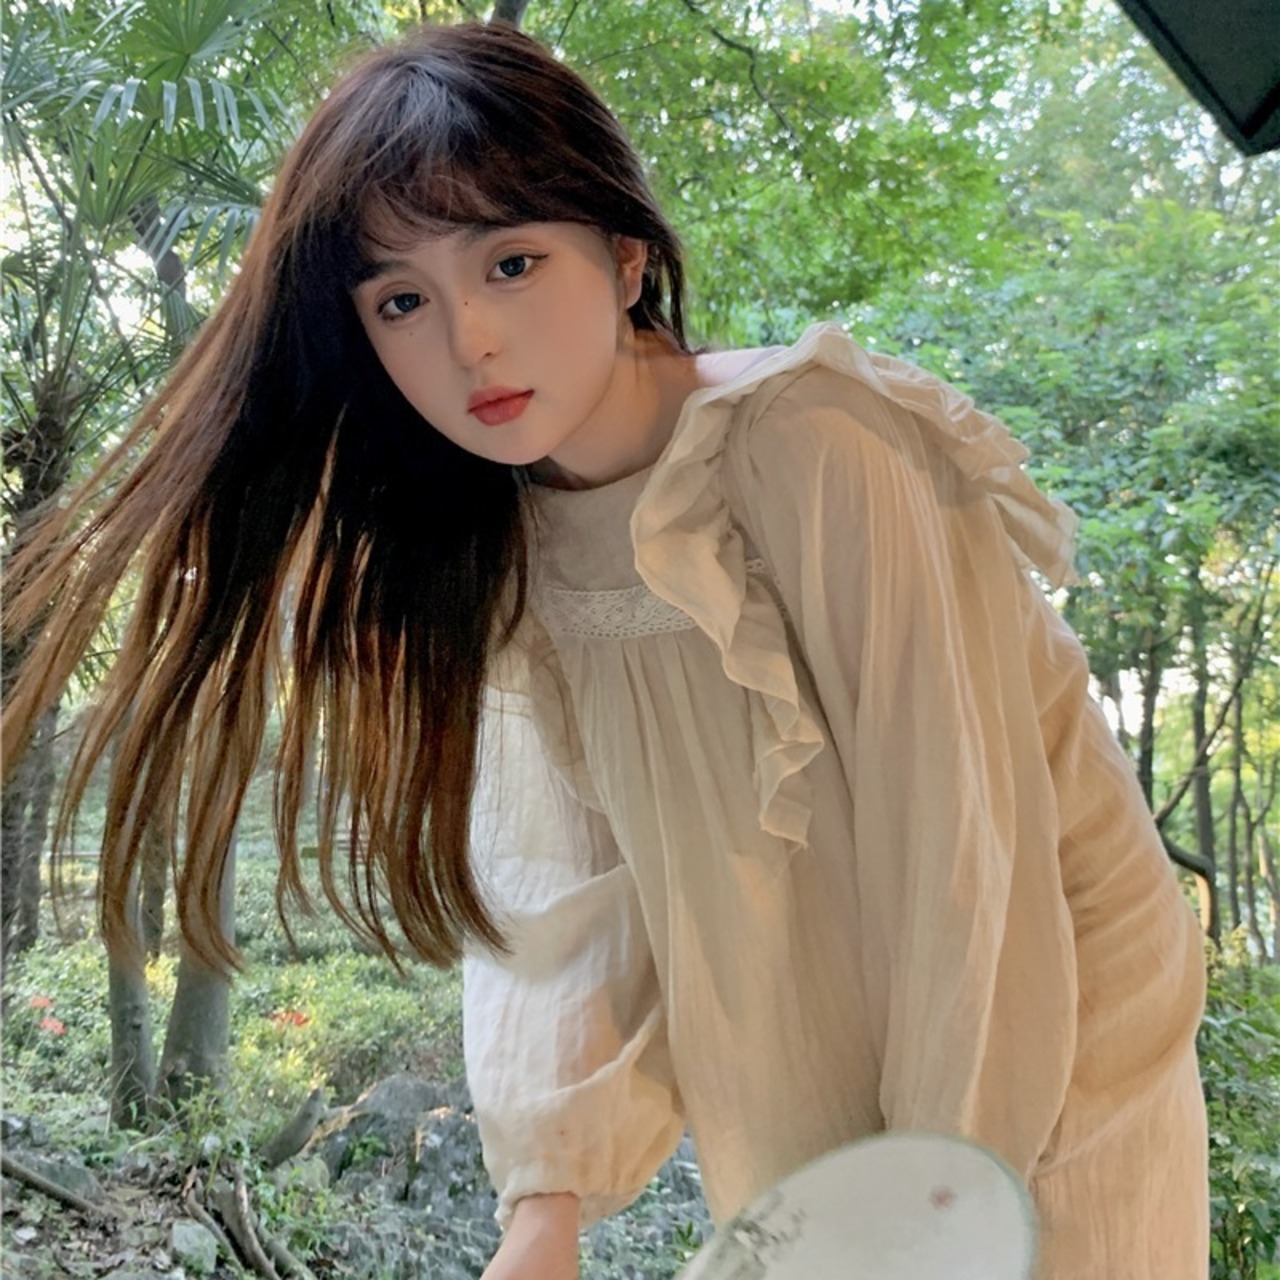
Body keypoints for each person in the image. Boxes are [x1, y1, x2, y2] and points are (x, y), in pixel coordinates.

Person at [1, 21, 1208, 1280]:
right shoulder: (511, 552)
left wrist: (932, 1201)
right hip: (798, 1062)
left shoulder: (814, 443)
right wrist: (547, 1201)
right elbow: (558, 876)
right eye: (402, 299)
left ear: (625, 256)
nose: (468, 338)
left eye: (511, 262)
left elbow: (959, 848)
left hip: (1048, 1062)